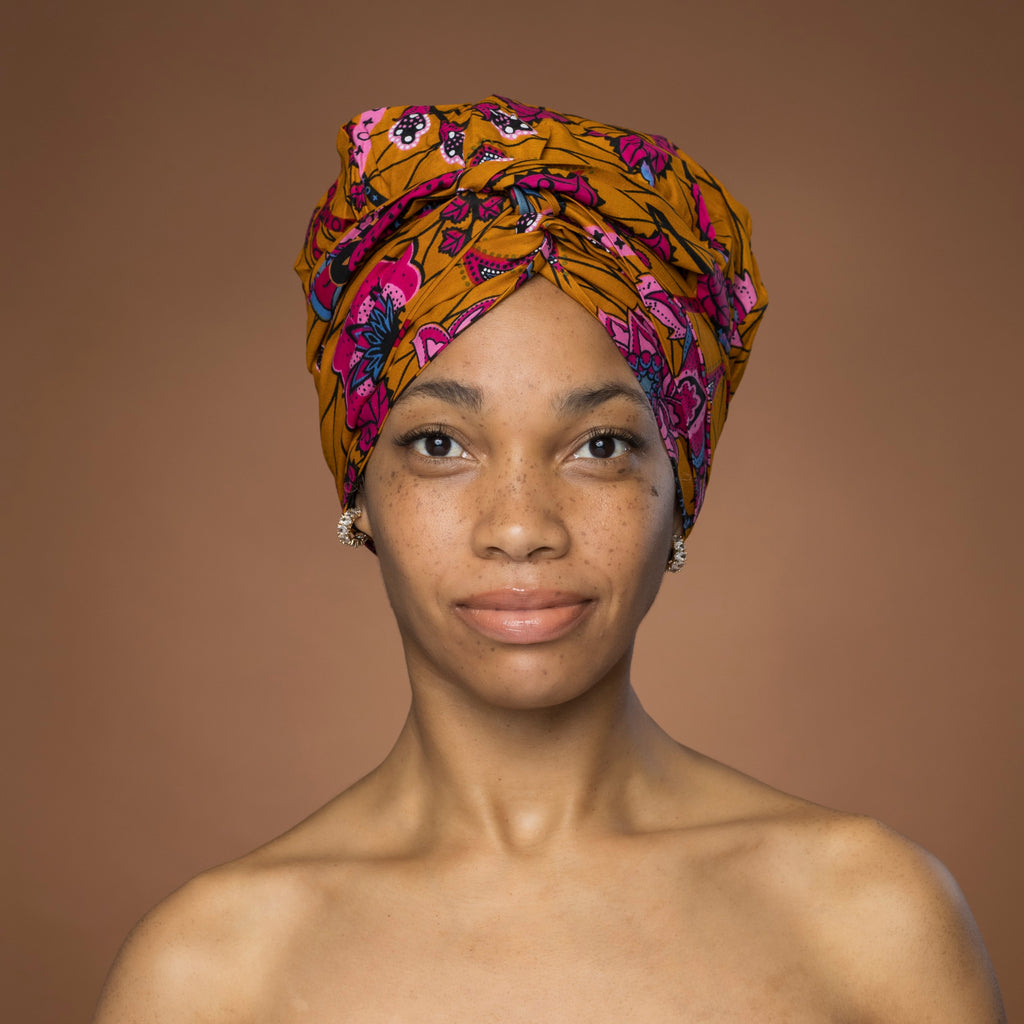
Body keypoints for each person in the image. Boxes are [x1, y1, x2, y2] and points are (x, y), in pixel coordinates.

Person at [94, 96, 1005, 1022]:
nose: (522, 527)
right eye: (441, 444)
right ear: (359, 490)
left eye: (599, 447)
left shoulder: (869, 923)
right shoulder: (210, 975)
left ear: (680, 490)